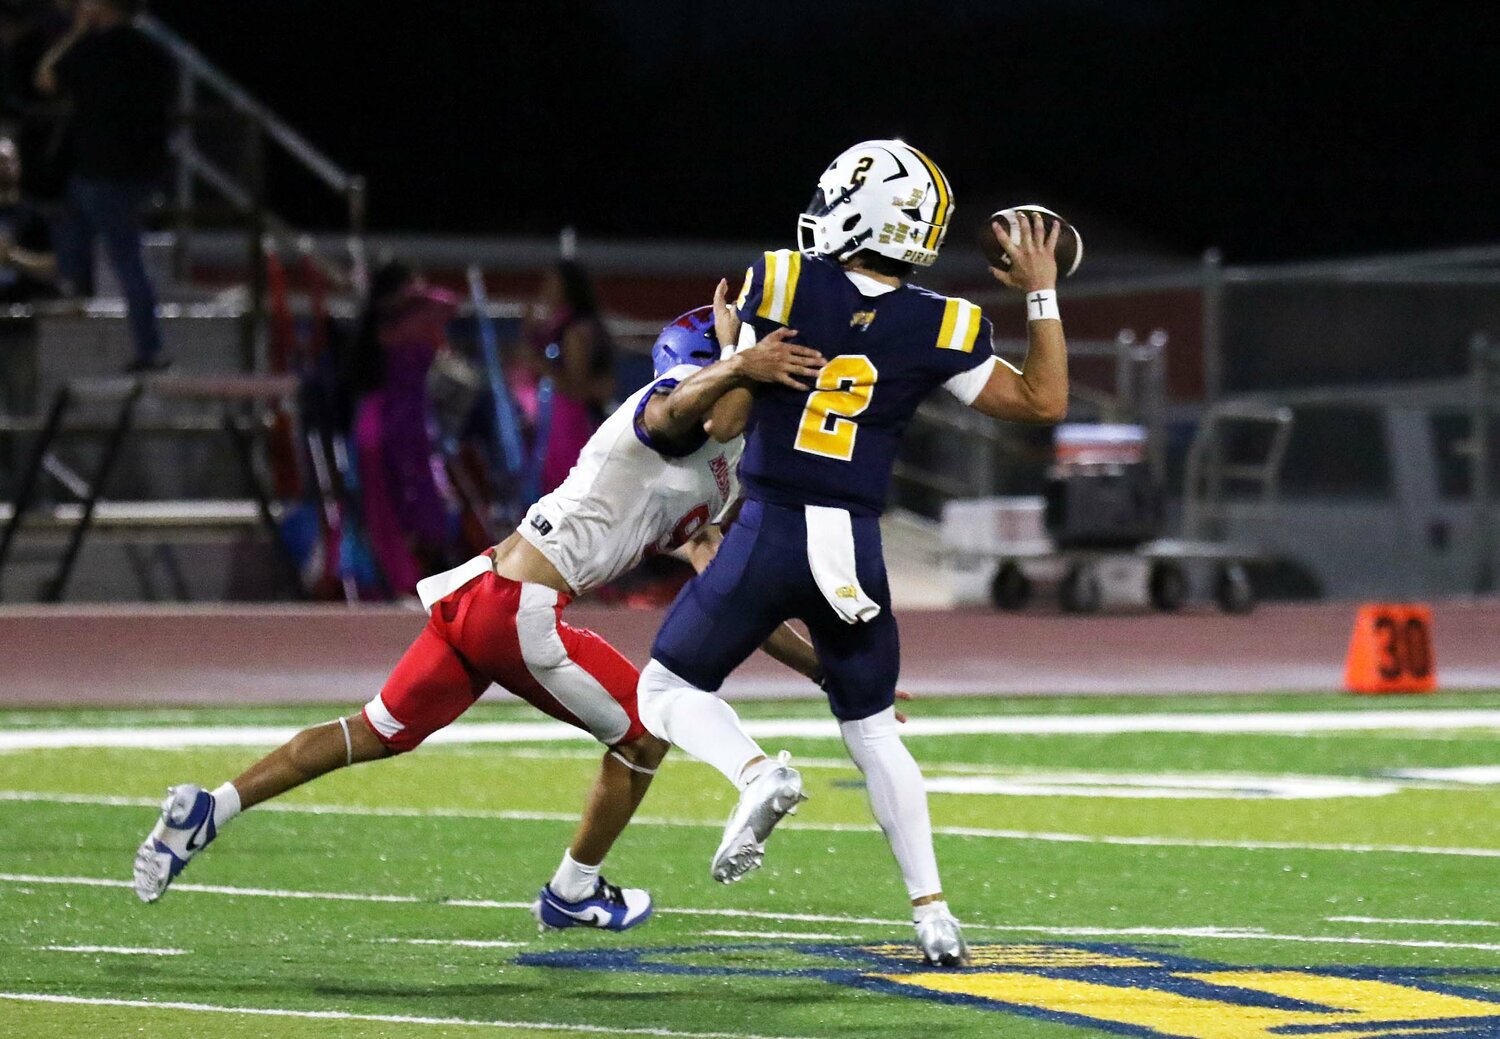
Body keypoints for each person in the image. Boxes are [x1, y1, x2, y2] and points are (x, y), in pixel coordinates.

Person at [132, 300, 831, 933]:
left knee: (374, 730)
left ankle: (209, 807)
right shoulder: (663, 408)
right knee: (645, 734)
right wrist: (742, 357)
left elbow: (726, 582)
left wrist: (822, 670)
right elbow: (699, 408)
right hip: (516, 607)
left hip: (483, 594)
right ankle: (572, 890)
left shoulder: (722, 462)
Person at [632, 140, 1070, 966]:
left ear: (863, 214)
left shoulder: (783, 280)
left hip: (770, 527)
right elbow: (1045, 400)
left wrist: (732, 353)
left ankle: (756, 771)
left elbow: (724, 425)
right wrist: (1041, 294)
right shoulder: (946, 321)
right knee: (873, 734)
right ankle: (933, 911)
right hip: (855, 548)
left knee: (665, 686)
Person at [33, 0, 171, 373]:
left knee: (126, 258)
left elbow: (45, 78)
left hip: (102, 171)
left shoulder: (93, 50)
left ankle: (150, 347)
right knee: (70, 216)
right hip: (141, 171)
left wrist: (76, 32)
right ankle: (69, 276)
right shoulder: (151, 50)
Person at [515, 260, 615, 495]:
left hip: (571, 424)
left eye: (552, 282)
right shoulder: (558, 325)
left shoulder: (575, 332)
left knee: (566, 486)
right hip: (555, 421)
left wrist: (540, 364)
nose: (545, 288)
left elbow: (577, 387)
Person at [0, 131, 57, 302]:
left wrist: (12, 257)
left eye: (10, 160)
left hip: (23, 306)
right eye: (0, 162)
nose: (5, 167)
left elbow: (52, 267)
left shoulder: (34, 215)